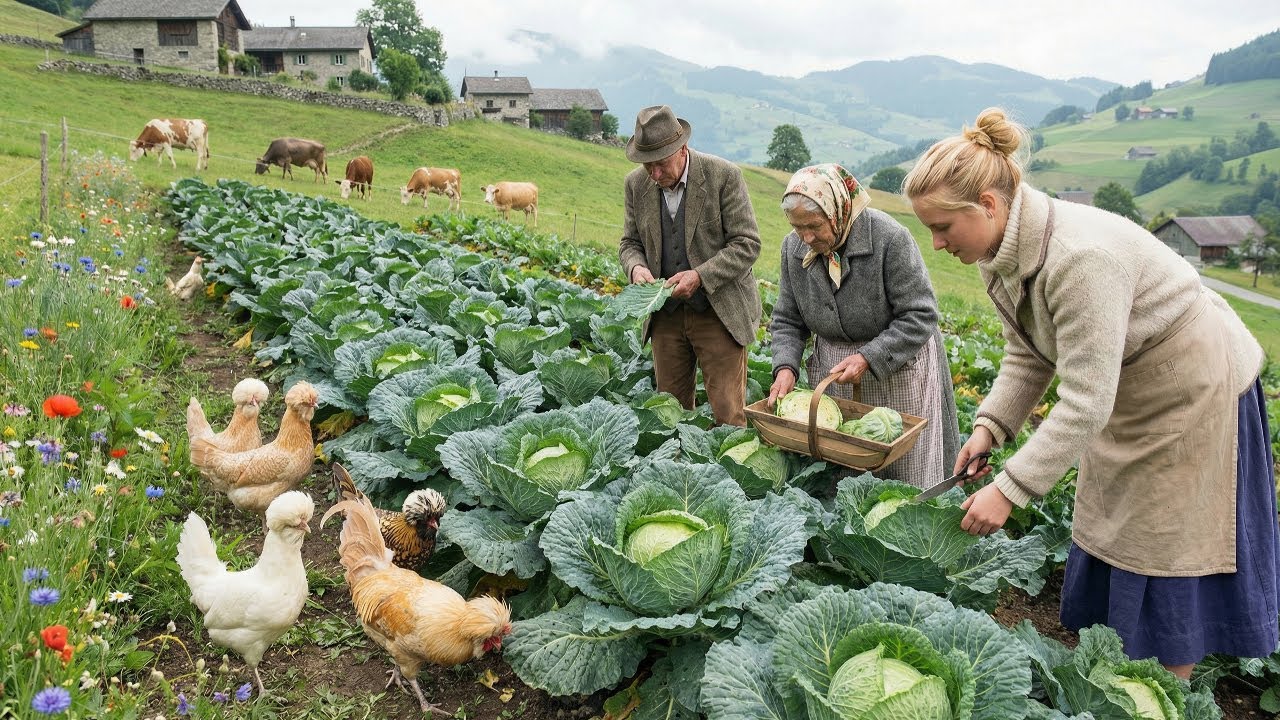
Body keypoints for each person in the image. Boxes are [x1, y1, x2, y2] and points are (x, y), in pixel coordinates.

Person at [903, 107, 1279, 678]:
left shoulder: (1081, 261)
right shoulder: (1000, 256)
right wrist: (990, 428)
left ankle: (1164, 693)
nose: (935, 244)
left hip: (1194, 386)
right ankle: (1115, 676)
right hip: (1127, 383)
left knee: (1165, 542)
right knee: (1115, 519)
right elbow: (1029, 352)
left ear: (988, 204)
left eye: (943, 227)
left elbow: (1084, 401)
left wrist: (1009, 489)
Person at [766, 164, 959, 488]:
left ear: (840, 211)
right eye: (798, 227)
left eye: (814, 226)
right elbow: (787, 318)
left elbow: (920, 314)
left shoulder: (890, 239)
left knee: (902, 468)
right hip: (835, 370)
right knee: (845, 470)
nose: (806, 237)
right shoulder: (793, 247)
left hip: (896, 367)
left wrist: (868, 357)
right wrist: (785, 367)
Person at [619, 105, 762, 426]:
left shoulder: (722, 176)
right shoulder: (635, 184)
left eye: (660, 164)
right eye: (647, 166)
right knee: (670, 412)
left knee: (727, 411)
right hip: (666, 316)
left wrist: (700, 276)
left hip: (717, 311)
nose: (654, 174)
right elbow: (629, 244)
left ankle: (728, 473)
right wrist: (636, 268)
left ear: (682, 149)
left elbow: (747, 244)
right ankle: (679, 473)